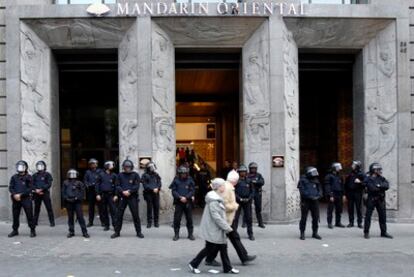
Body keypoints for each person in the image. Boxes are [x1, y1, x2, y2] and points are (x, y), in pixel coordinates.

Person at [188, 178, 239, 274]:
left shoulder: (216, 197)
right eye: (223, 185)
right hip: (214, 229)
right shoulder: (214, 200)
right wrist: (228, 228)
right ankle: (193, 264)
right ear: (219, 187)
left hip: (217, 229)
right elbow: (217, 218)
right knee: (209, 248)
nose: (224, 186)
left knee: (223, 247)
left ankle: (227, 268)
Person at [205, 170, 256, 266]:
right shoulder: (227, 188)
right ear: (235, 180)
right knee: (221, 241)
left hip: (227, 219)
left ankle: (243, 257)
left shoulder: (227, 186)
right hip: (226, 219)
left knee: (232, 238)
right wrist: (234, 206)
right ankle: (209, 259)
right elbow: (222, 204)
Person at [111, 160, 144, 239]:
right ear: (123, 167)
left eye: (129, 167)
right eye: (126, 167)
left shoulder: (135, 175)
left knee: (135, 215)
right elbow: (117, 185)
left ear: (131, 167)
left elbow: (136, 186)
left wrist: (129, 191)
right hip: (122, 197)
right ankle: (117, 232)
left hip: (132, 197)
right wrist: (123, 191)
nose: (127, 168)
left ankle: (139, 232)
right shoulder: (120, 175)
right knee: (119, 215)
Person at [363, 163, 393, 239]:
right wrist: (380, 187)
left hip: (380, 199)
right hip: (372, 199)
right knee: (368, 216)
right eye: (378, 169)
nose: (380, 171)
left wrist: (379, 186)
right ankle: (366, 232)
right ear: (374, 170)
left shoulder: (381, 178)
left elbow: (386, 186)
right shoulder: (368, 178)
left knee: (383, 216)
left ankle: (383, 232)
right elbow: (372, 188)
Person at [8, 160, 36, 238]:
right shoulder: (14, 177)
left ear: (25, 167)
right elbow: (11, 187)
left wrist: (21, 194)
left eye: (22, 166)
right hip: (16, 199)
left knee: (29, 215)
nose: (20, 168)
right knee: (15, 215)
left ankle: (32, 230)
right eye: (19, 166)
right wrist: (14, 194)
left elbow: (30, 188)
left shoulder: (29, 177)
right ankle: (15, 230)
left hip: (26, 199)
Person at [62, 169, 89, 238]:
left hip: (77, 202)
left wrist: (77, 198)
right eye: (71, 174)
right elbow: (63, 192)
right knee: (70, 217)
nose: (72, 176)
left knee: (80, 217)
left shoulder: (79, 183)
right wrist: (66, 198)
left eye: (74, 174)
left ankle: (84, 232)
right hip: (69, 202)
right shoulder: (65, 182)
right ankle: (71, 231)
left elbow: (82, 192)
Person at [171, 165, 195, 241]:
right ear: (179, 173)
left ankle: (190, 234)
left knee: (189, 219)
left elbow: (192, 190)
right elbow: (173, 191)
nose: (183, 175)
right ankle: (176, 234)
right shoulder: (176, 180)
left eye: (185, 173)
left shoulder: (190, 179)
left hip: (188, 202)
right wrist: (180, 197)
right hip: (179, 202)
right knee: (177, 219)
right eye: (182, 173)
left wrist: (186, 197)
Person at [298, 167, 322, 240]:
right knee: (304, 218)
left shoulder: (316, 180)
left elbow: (320, 189)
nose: (314, 174)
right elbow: (302, 191)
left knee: (315, 217)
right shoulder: (302, 180)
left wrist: (319, 195)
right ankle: (302, 233)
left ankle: (315, 233)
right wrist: (310, 196)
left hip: (315, 202)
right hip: (306, 202)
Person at [233, 165, 254, 240]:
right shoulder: (236, 181)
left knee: (249, 218)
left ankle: (250, 234)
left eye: (244, 172)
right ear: (238, 172)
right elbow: (233, 191)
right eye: (241, 172)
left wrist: (249, 198)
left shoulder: (249, 181)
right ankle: (234, 234)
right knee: (235, 218)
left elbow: (252, 191)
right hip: (238, 201)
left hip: (247, 202)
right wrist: (239, 198)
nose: (243, 173)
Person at [96, 161, 118, 231]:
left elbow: (117, 186)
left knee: (113, 211)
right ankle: (107, 225)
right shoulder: (101, 175)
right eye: (110, 165)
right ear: (106, 166)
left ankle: (115, 225)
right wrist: (98, 194)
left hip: (111, 195)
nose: (112, 166)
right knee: (104, 210)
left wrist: (116, 195)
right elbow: (97, 185)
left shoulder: (114, 175)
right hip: (103, 195)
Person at [32, 160, 55, 227]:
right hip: (36, 194)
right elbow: (31, 184)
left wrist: (41, 189)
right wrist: (36, 190)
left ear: (44, 166)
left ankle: (52, 222)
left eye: (41, 166)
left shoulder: (47, 174)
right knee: (36, 208)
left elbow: (49, 184)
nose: (39, 167)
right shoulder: (34, 175)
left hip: (45, 193)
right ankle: (35, 222)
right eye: (38, 166)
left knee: (49, 208)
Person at [345, 161, 365, 228]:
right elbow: (346, 184)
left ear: (357, 166)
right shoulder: (350, 174)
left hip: (358, 193)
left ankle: (359, 223)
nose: (352, 166)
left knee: (358, 208)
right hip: (350, 193)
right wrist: (345, 193)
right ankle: (351, 222)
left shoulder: (361, 174)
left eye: (353, 165)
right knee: (350, 208)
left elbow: (366, 183)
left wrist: (360, 182)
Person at [325, 162, 345, 229]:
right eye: (337, 168)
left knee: (339, 209)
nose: (339, 169)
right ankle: (330, 223)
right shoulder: (329, 176)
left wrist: (343, 194)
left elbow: (342, 186)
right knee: (330, 209)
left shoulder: (340, 176)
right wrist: (330, 195)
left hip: (339, 194)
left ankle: (338, 222)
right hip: (332, 194)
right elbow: (327, 186)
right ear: (334, 168)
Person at [142, 162, 162, 228]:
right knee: (149, 208)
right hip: (148, 194)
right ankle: (149, 222)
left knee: (156, 208)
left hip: (156, 194)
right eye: (151, 167)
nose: (153, 169)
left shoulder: (156, 174)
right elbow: (145, 185)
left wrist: (158, 188)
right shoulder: (144, 175)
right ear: (148, 168)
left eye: (153, 167)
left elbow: (159, 183)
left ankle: (156, 222)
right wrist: (152, 189)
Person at [83, 158, 102, 227]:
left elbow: (102, 180)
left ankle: (103, 221)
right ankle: (90, 222)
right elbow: (85, 181)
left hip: (98, 192)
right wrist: (88, 185)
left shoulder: (100, 171)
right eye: (92, 164)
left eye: (94, 163)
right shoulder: (88, 172)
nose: (93, 165)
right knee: (91, 208)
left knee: (100, 207)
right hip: (91, 191)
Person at [247, 162, 265, 228]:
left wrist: (254, 182)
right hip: (249, 193)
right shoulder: (247, 175)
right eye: (252, 168)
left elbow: (262, 182)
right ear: (250, 169)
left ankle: (260, 223)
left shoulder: (259, 175)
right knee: (247, 208)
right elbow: (246, 182)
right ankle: (246, 222)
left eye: (254, 168)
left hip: (257, 193)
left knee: (258, 208)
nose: (253, 170)